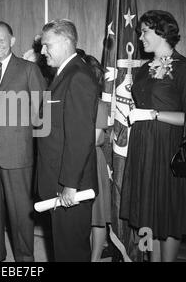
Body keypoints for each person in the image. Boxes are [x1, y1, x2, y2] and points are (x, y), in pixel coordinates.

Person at [120, 10, 186, 262]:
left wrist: (153, 114)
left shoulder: (183, 68)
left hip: (167, 149)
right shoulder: (144, 69)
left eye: (145, 31)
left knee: (167, 212)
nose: (140, 37)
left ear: (162, 31)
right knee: (148, 211)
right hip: (143, 146)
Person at [0, 21, 46, 262]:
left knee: (19, 211)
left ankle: (25, 259)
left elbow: (41, 112)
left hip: (17, 152)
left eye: (1, 40)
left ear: (12, 41)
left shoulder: (28, 69)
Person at [37, 19, 99, 261]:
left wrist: (70, 184)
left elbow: (80, 137)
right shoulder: (65, 74)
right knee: (63, 248)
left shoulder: (78, 76)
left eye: (46, 45)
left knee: (71, 251)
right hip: (59, 179)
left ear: (65, 42)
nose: (42, 51)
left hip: (70, 185)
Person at [77, 49, 112, 261]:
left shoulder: (99, 105)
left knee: (96, 217)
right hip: (76, 161)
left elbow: (92, 138)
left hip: (92, 163)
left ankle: (95, 257)